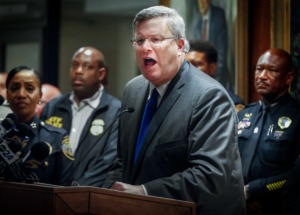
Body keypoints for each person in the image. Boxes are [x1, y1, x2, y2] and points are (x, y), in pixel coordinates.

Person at [103, 6, 246, 215]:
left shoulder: (209, 97)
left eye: (156, 39)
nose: (145, 48)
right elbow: (123, 161)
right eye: (139, 41)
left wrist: (145, 191)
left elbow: (209, 175)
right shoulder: (133, 89)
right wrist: (103, 194)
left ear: (180, 46)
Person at [40, 46, 121, 187]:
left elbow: (108, 161)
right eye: (74, 66)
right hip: (48, 191)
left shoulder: (116, 110)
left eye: (87, 66)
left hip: (88, 196)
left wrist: (76, 189)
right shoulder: (53, 106)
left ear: (101, 74)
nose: (78, 71)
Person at [237, 48, 300, 214]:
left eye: (271, 70)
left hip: (276, 207)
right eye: (259, 69)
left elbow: (296, 174)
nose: (262, 76)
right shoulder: (244, 114)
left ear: (289, 77)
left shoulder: (297, 116)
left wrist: (254, 190)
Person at [5, 66, 70, 184]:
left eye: (29, 89)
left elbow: (65, 188)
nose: (21, 94)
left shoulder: (56, 137)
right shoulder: (2, 132)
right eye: (14, 88)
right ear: (7, 95)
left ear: (40, 96)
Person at [186, 39, 245, 112]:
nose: (188, 69)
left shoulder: (230, 102)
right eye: (185, 64)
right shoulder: (180, 97)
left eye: (195, 64)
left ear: (212, 68)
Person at [192, 0, 231, 90]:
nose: (201, 3)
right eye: (199, 1)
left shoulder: (218, 15)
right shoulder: (198, 25)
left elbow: (222, 51)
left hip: (219, 75)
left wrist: (216, 76)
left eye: (203, 0)